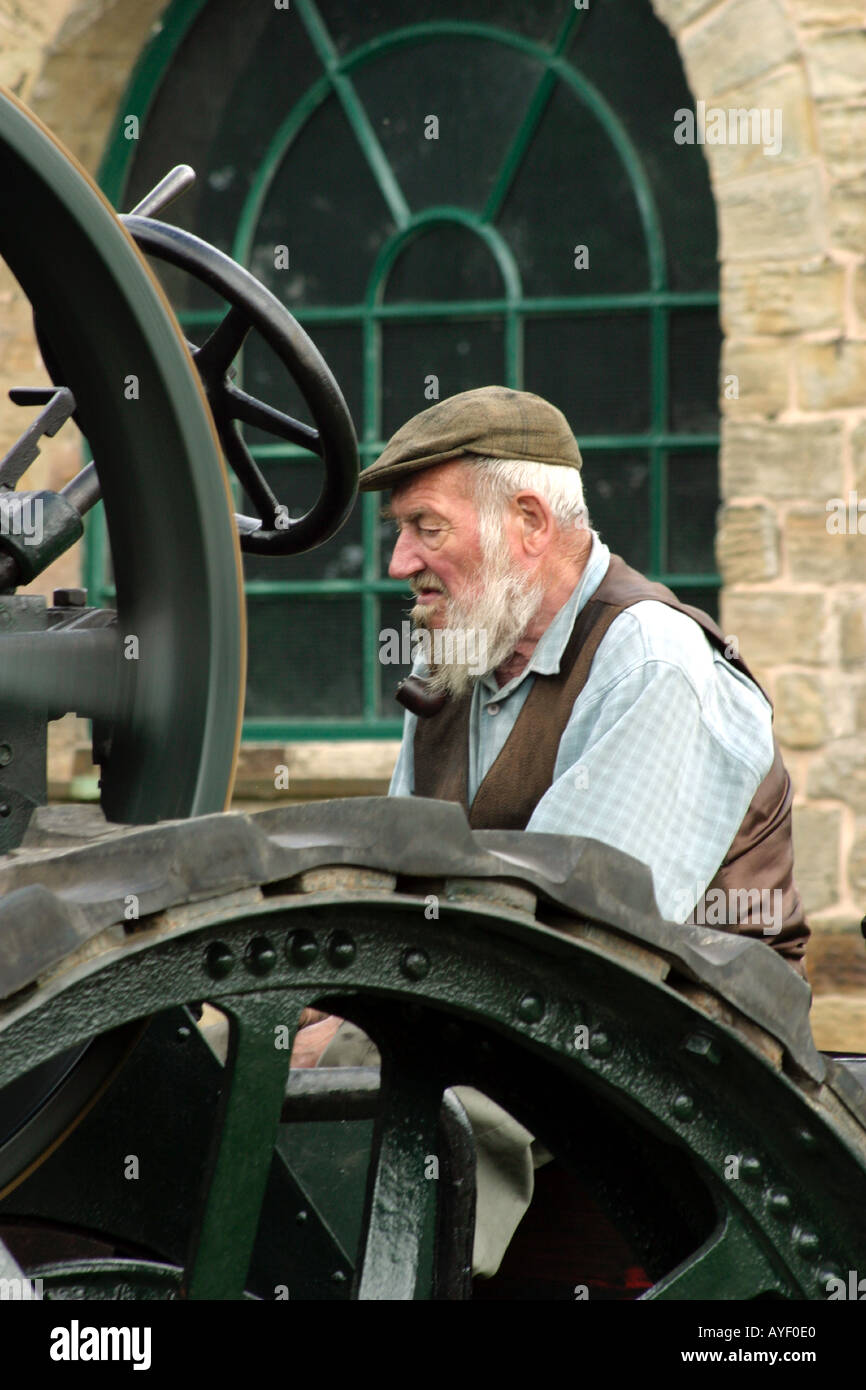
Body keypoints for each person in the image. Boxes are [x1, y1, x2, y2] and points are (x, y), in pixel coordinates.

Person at [293, 383, 809, 1277]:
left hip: (678, 1061)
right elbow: (393, 886)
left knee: (419, 1096)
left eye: (425, 527)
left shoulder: (653, 664)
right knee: (223, 1036)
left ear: (528, 520)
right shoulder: (457, 661)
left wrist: (349, 1032)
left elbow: (568, 949)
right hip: (504, 1002)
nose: (397, 561)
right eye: (399, 532)